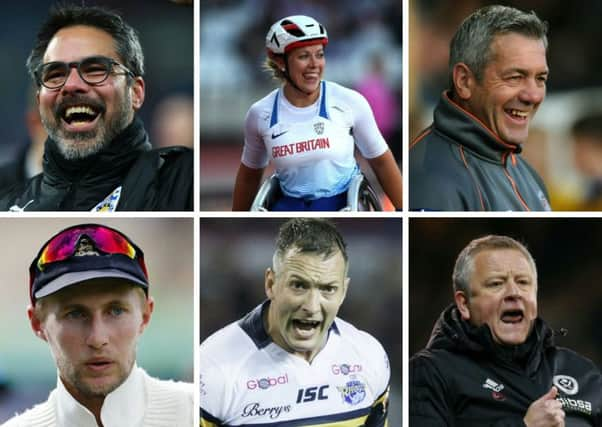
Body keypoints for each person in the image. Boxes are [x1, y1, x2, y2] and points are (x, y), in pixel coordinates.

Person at [0, 5, 192, 211]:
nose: (71, 85)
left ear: (136, 93)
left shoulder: (184, 181)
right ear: (39, 101)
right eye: (55, 74)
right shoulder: (9, 206)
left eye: (95, 70)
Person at [200, 218, 390, 425]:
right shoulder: (214, 368)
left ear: (344, 291)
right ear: (271, 284)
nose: (312, 306)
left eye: (328, 289)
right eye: (299, 286)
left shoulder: (369, 355)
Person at [1, 223, 193, 427]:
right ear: (37, 323)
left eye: (116, 311)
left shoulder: (194, 412)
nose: (97, 338)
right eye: (75, 314)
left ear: (146, 314)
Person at [410, 235, 602, 426]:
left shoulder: (581, 371)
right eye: (496, 283)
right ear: (464, 304)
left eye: (523, 282)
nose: (514, 293)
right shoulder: (431, 373)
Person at [231, 15, 402, 211]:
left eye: (319, 55)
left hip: (345, 202)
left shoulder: (350, 101)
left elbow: (381, 161)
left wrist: (404, 212)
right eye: (304, 56)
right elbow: (249, 176)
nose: (315, 65)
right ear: (280, 61)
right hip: (288, 205)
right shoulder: (260, 113)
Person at [409, 5, 551, 211]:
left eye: (540, 78)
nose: (533, 95)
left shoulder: (526, 172)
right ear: (465, 81)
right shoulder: (432, 179)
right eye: (515, 77)